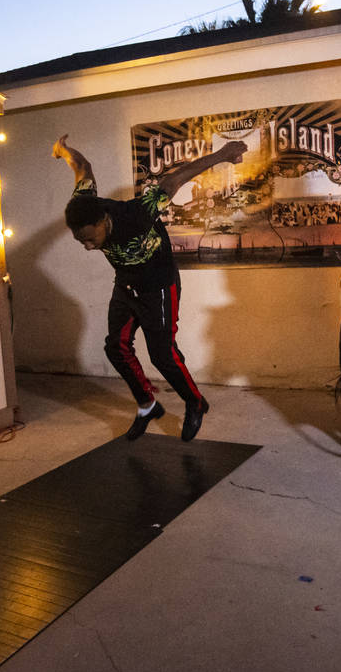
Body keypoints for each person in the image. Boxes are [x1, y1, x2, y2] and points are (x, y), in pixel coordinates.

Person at [53, 134, 246, 442]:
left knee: (162, 355)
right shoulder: (83, 205)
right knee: (116, 347)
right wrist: (63, 150)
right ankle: (148, 405)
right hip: (125, 285)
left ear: (104, 220)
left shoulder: (138, 214)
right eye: (81, 242)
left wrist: (223, 153)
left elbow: (175, 179)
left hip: (158, 287)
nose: (88, 247)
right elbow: (83, 166)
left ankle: (195, 402)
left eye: (91, 239)